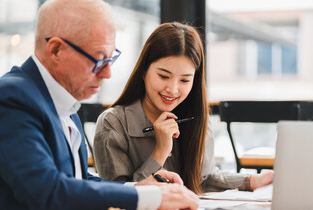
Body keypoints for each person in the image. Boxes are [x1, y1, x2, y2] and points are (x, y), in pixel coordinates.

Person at [0, 1, 198, 210]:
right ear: (56, 50)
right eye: (98, 60)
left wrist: (139, 188)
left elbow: (78, 180)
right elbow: (48, 192)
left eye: (110, 59)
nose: (107, 73)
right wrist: (154, 198)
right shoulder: (11, 100)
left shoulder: (63, 101)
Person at [94, 22, 273, 194]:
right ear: (143, 71)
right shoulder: (113, 123)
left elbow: (204, 180)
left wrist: (252, 181)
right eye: (164, 76)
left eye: (185, 80)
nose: (172, 89)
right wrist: (160, 151)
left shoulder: (196, 119)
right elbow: (116, 195)